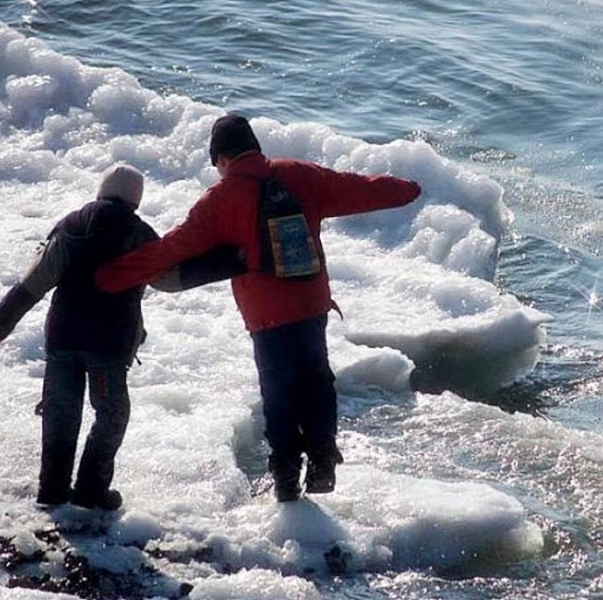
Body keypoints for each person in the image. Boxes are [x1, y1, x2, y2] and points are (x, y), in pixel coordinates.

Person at [95, 114, 422, 502]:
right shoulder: (299, 174)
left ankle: (285, 478)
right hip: (311, 304)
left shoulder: (220, 199)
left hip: (267, 316)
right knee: (317, 379)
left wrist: (110, 276)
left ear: (222, 159)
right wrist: (408, 189)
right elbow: (360, 188)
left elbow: (171, 249)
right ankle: (323, 461)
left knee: (278, 392)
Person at [0, 164, 159, 511]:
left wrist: (2, 324)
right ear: (136, 199)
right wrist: (228, 260)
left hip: (63, 339)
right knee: (111, 414)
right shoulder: (140, 235)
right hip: (107, 346)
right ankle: (91, 490)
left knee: (60, 413)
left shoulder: (70, 227)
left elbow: (31, 285)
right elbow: (171, 278)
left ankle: (51, 491)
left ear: (102, 190)